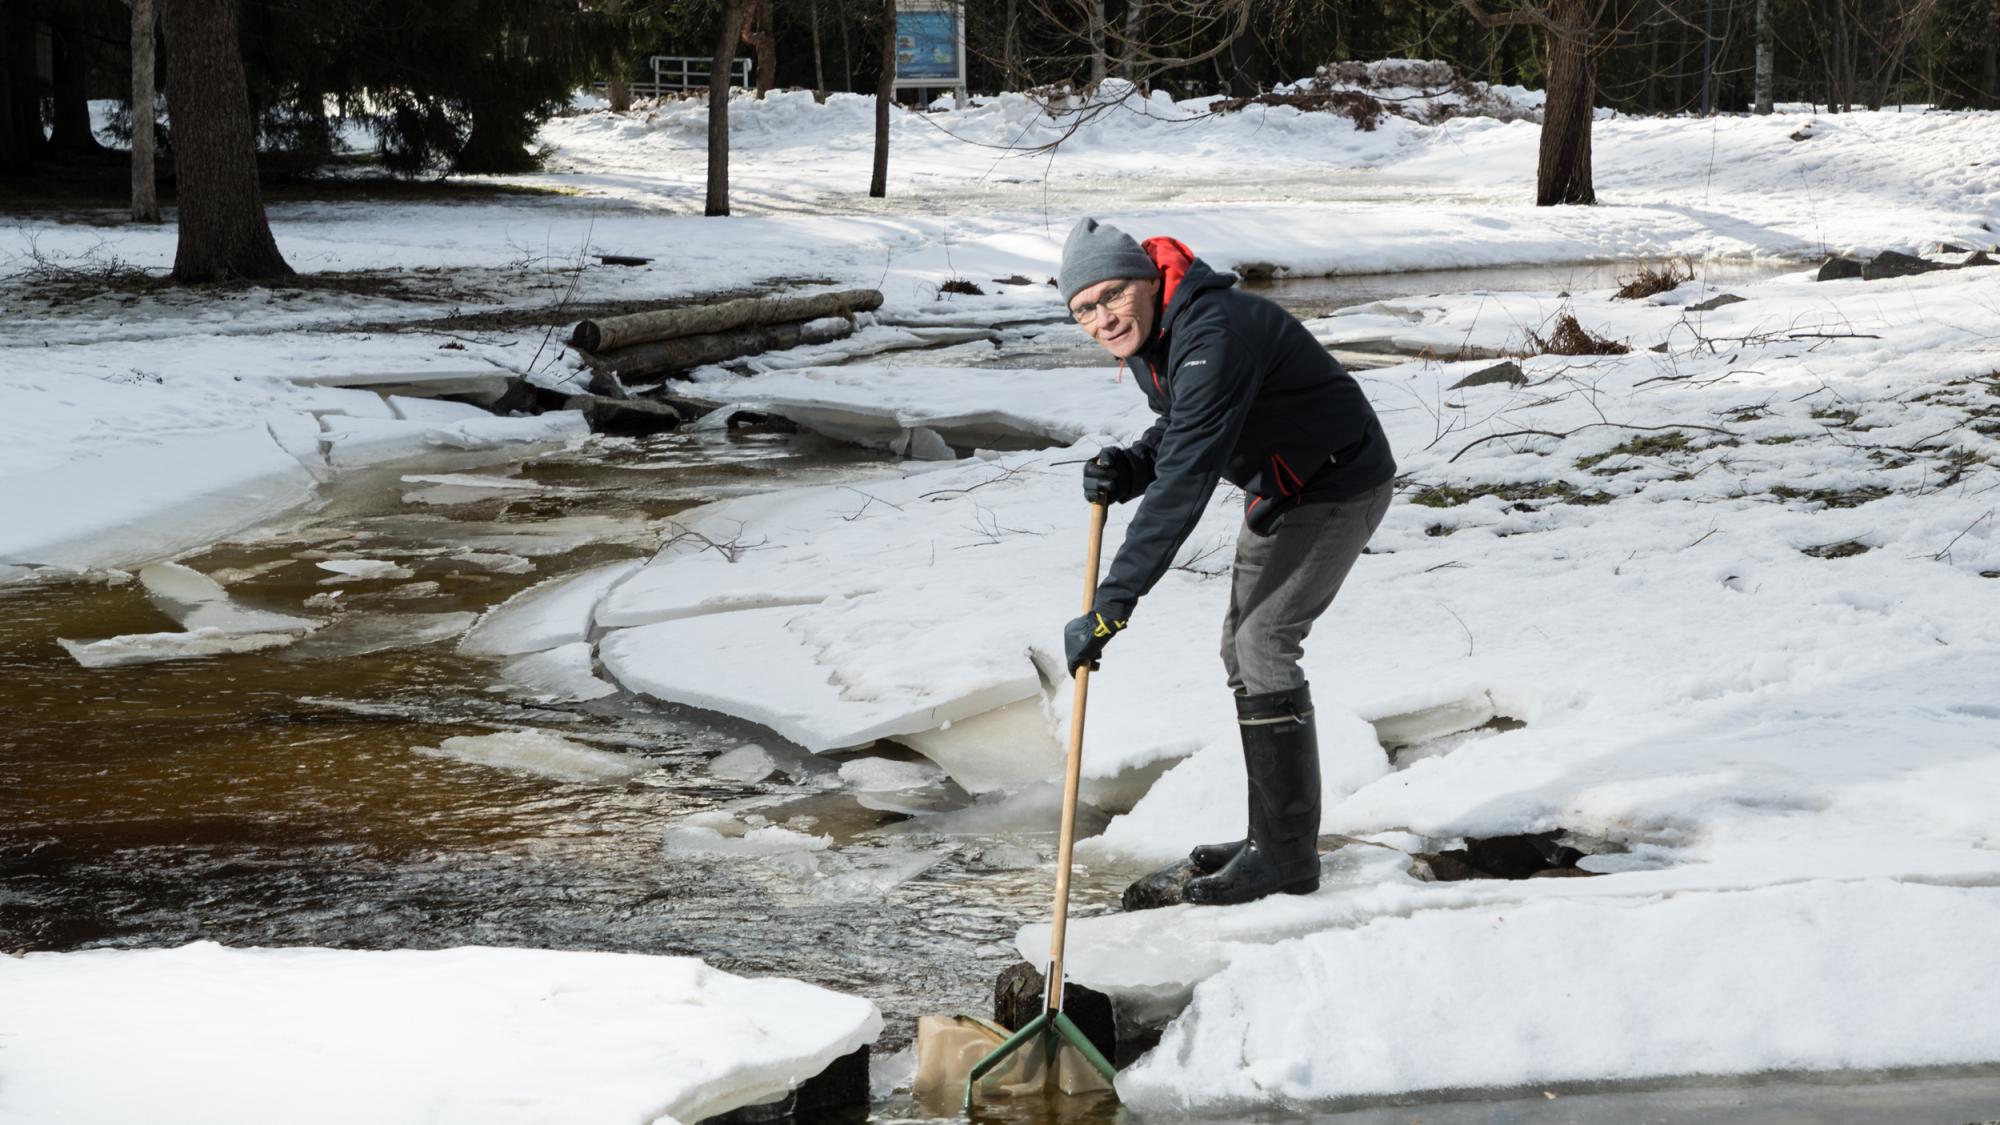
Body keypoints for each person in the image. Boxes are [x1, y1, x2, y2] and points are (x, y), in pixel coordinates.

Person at [1056, 217, 1396, 907]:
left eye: (1112, 295)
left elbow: (1187, 476)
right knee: (1239, 649)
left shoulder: (1214, 333)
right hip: (1286, 487)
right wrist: (1131, 466)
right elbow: (1183, 426)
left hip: (1338, 483)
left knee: (1265, 642)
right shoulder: (1164, 334)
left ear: (1149, 281)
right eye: (1083, 309)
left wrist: (1112, 603)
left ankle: (1287, 857)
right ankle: (1266, 837)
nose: (1102, 317)